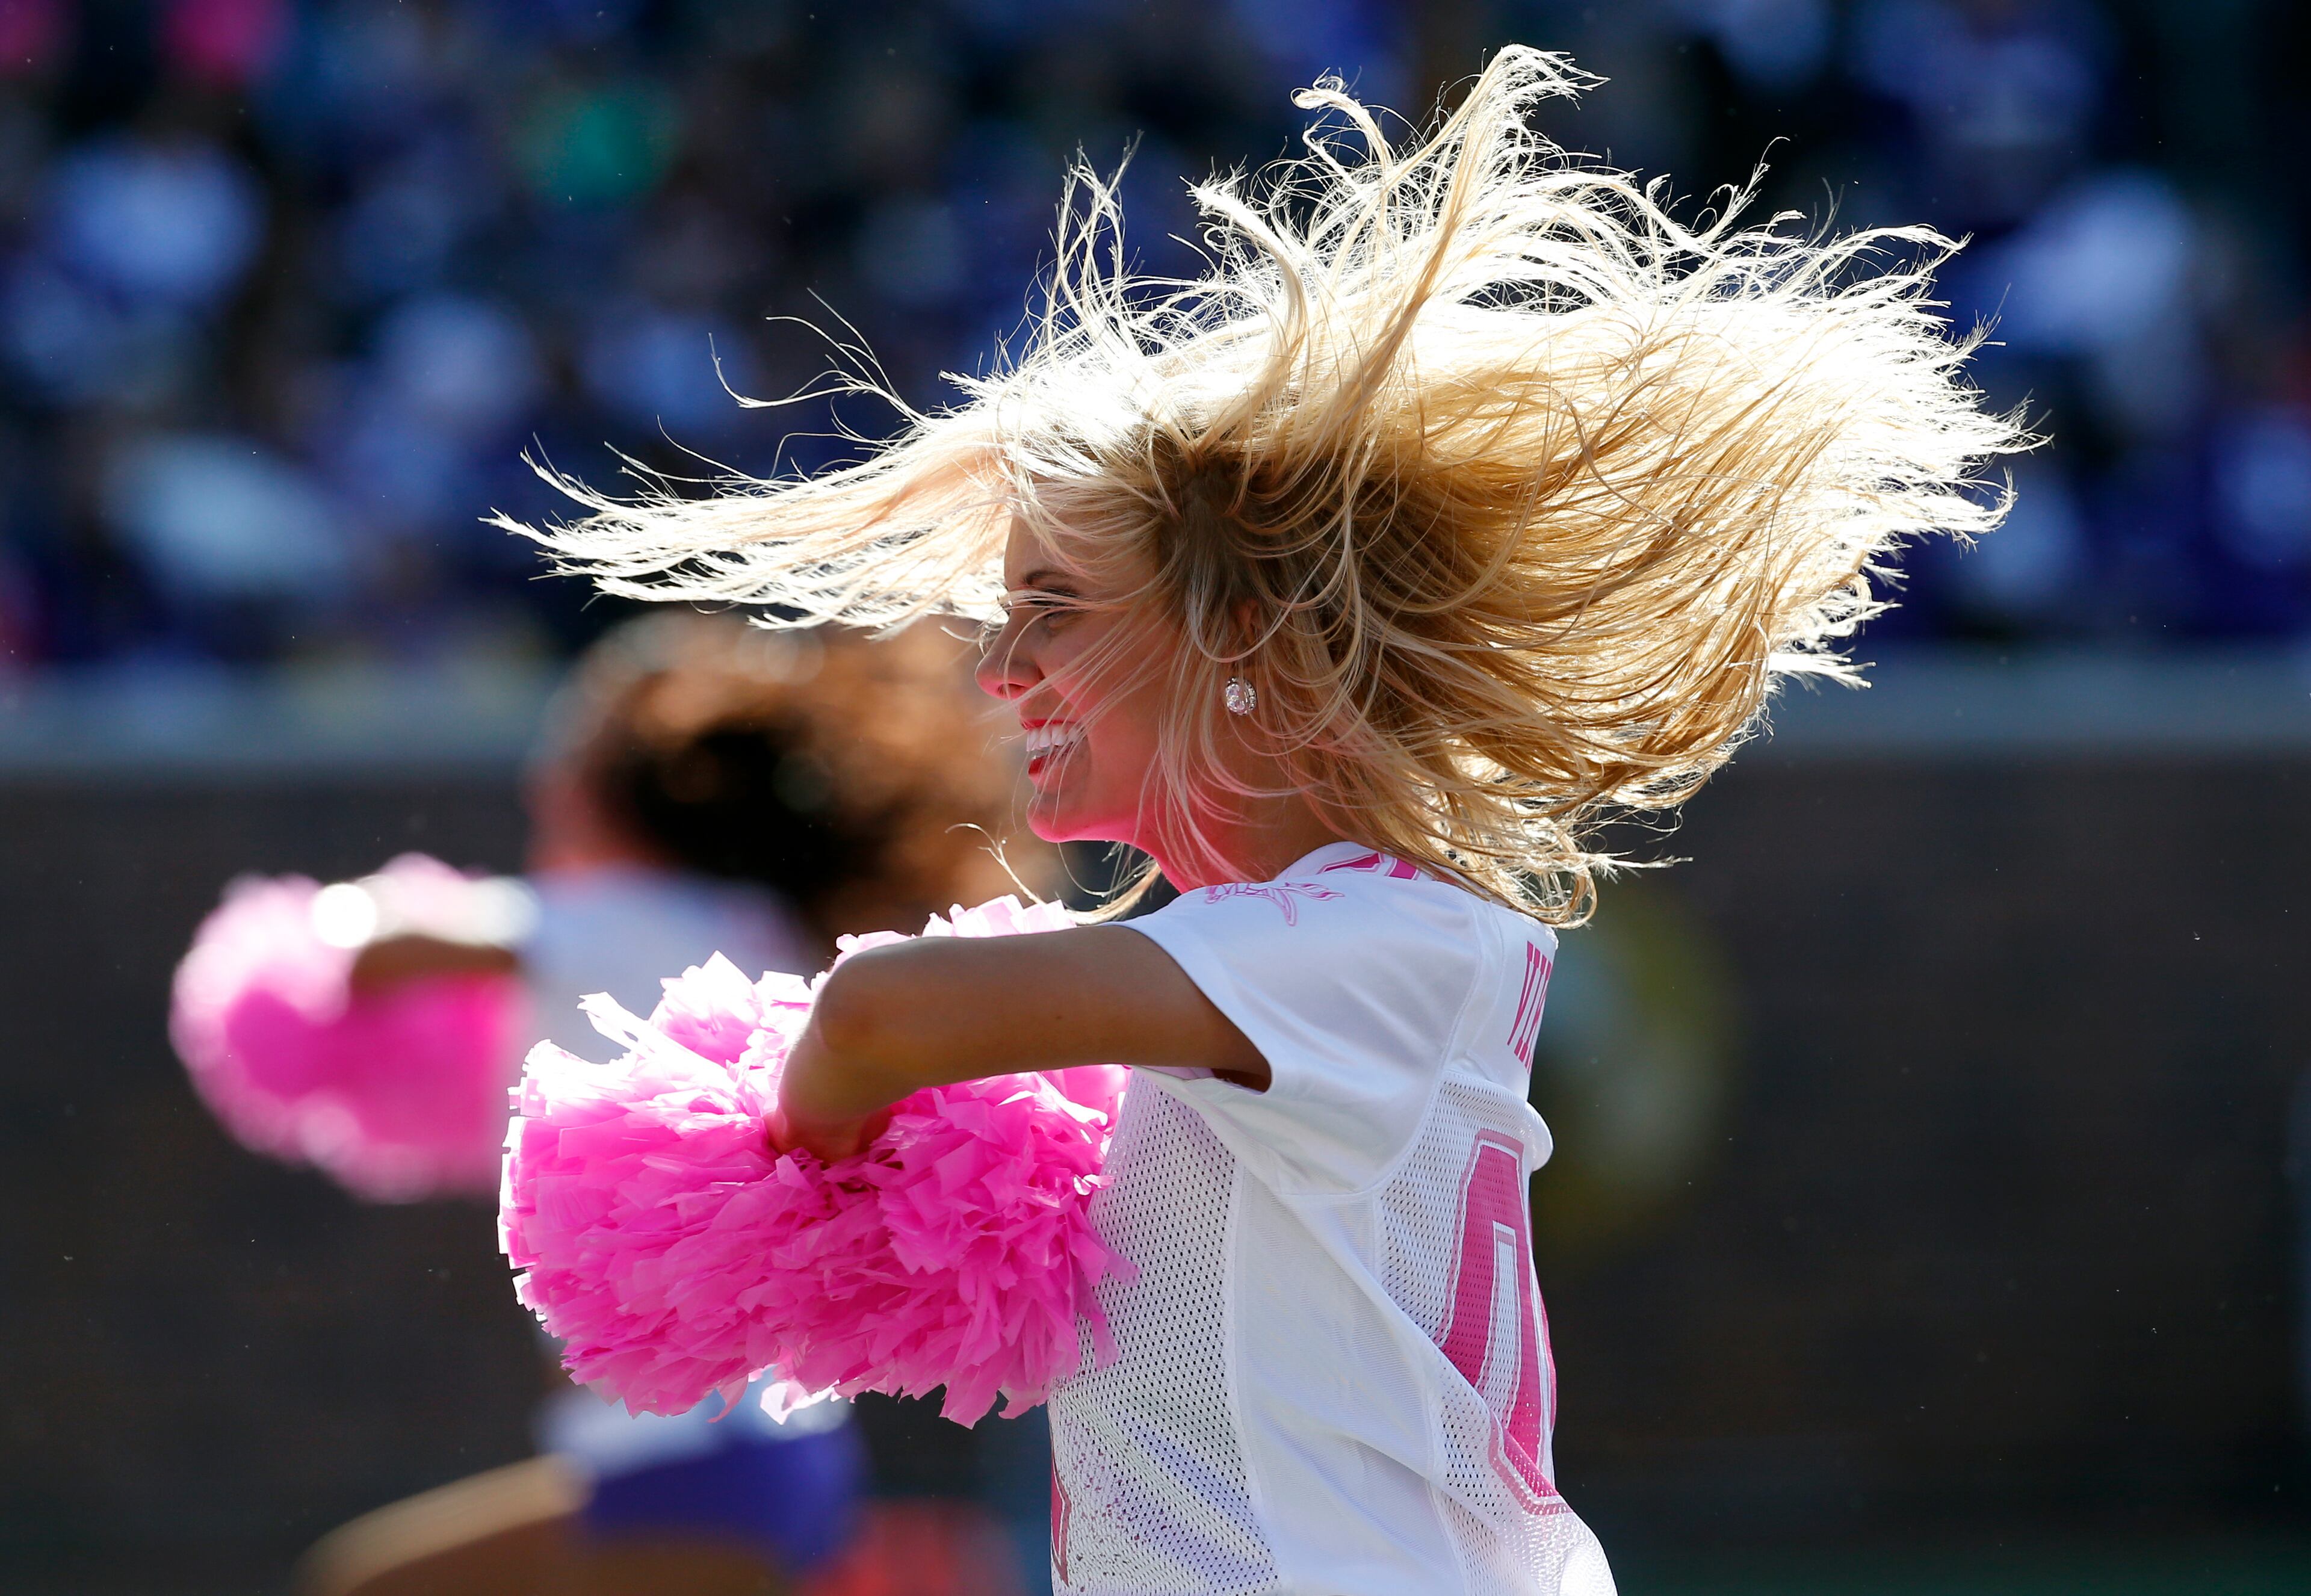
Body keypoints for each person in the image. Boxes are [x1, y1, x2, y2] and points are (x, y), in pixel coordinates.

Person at [513, 48, 2023, 1596]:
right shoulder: (1306, 951)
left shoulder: (1375, 937)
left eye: (1054, 610)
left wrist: (788, 1173)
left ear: (1241, 638)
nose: (1000, 666)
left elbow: (884, 1009)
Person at [300, 613, 1050, 1596]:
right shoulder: (748, 919)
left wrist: (304, 941)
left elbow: (381, 951)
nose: (542, 781)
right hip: (731, 1459)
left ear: (612, 791)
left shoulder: (612, 919)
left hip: (692, 1469)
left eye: (565, 753)